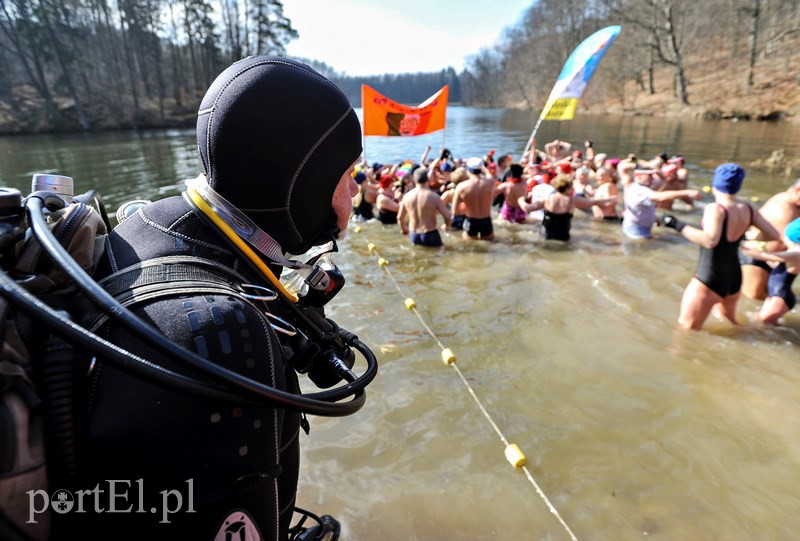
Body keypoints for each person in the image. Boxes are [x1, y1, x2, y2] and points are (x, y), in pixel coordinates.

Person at [78, 56, 367, 540]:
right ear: (305, 181)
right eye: (346, 173)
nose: (356, 189)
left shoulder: (147, 222)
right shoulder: (221, 337)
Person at [663, 163, 780, 330]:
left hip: (709, 277)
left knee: (686, 330)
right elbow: (773, 235)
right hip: (734, 278)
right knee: (731, 324)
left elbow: (710, 241)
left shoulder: (715, 209)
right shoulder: (748, 209)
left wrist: (676, 225)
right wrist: (746, 236)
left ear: (715, 184)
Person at [740, 179, 800, 299]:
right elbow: (782, 236)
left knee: (769, 295)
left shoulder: (795, 204)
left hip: (776, 258)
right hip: (756, 256)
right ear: (798, 190)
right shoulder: (783, 208)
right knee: (753, 296)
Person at [740, 217, 800, 324]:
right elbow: (775, 262)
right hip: (775, 293)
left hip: (780, 296)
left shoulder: (796, 254)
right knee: (762, 322)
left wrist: (740, 246)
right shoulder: (793, 251)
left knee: (762, 324)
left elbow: (763, 256)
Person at [622, 169, 702, 239]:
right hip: (636, 229)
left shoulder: (642, 188)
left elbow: (644, 207)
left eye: (652, 175)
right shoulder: (638, 190)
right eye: (648, 175)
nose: (652, 178)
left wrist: (654, 218)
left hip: (640, 226)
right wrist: (687, 192)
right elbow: (659, 197)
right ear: (638, 176)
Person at [397, 166, 452, 247]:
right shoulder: (434, 196)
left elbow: (400, 217)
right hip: (430, 234)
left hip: (414, 234)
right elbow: (447, 216)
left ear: (414, 180)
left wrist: (404, 230)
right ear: (428, 179)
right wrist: (447, 227)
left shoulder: (407, 196)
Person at [452, 157, 497, 240]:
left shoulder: (461, 187)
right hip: (486, 220)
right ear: (481, 169)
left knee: (469, 247)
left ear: (468, 170)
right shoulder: (491, 182)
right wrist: (484, 168)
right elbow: (489, 175)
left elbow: (455, 211)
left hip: (471, 220)